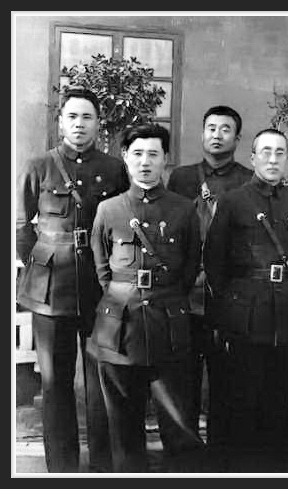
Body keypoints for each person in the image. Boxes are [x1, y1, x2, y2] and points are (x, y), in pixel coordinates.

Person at [16, 87, 127, 472]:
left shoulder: (114, 169)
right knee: (55, 383)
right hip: (51, 290)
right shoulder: (39, 166)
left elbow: (122, 224)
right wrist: (41, 264)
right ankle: (62, 468)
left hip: (99, 286)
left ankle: (102, 466)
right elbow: (21, 225)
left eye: (87, 117)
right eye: (72, 117)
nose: (79, 124)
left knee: (102, 380)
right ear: (61, 122)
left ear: (98, 124)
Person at [89, 123, 204, 472]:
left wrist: (164, 298)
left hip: (169, 325)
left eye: (153, 154)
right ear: (125, 157)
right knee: (123, 426)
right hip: (120, 327)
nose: (145, 162)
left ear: (165, 159)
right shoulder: (108, 209)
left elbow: (189, 268)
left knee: (178, 422)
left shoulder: (183, 209)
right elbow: (102, 269)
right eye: (137, 153)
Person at [203, 128, 288, 471]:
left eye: (280, 153)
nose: (273, 159)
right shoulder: (233, 201)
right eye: (266, 152)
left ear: (287, 158)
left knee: (277, 394)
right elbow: (214, 260)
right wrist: (228, 309)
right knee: (242, 393)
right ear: (252, 158)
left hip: (284, 312)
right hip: (244, 312)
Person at [166, 105, 252, 446]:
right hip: (186, 292)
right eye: (211, 128)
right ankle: (185, 455)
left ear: (237, 138)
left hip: (226, 294)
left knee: (226, 379)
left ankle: (221, 453)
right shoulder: (182, 178)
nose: (217, 135)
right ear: (202, 134)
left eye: (225, 129)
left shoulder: (246, 180)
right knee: (183, 377)